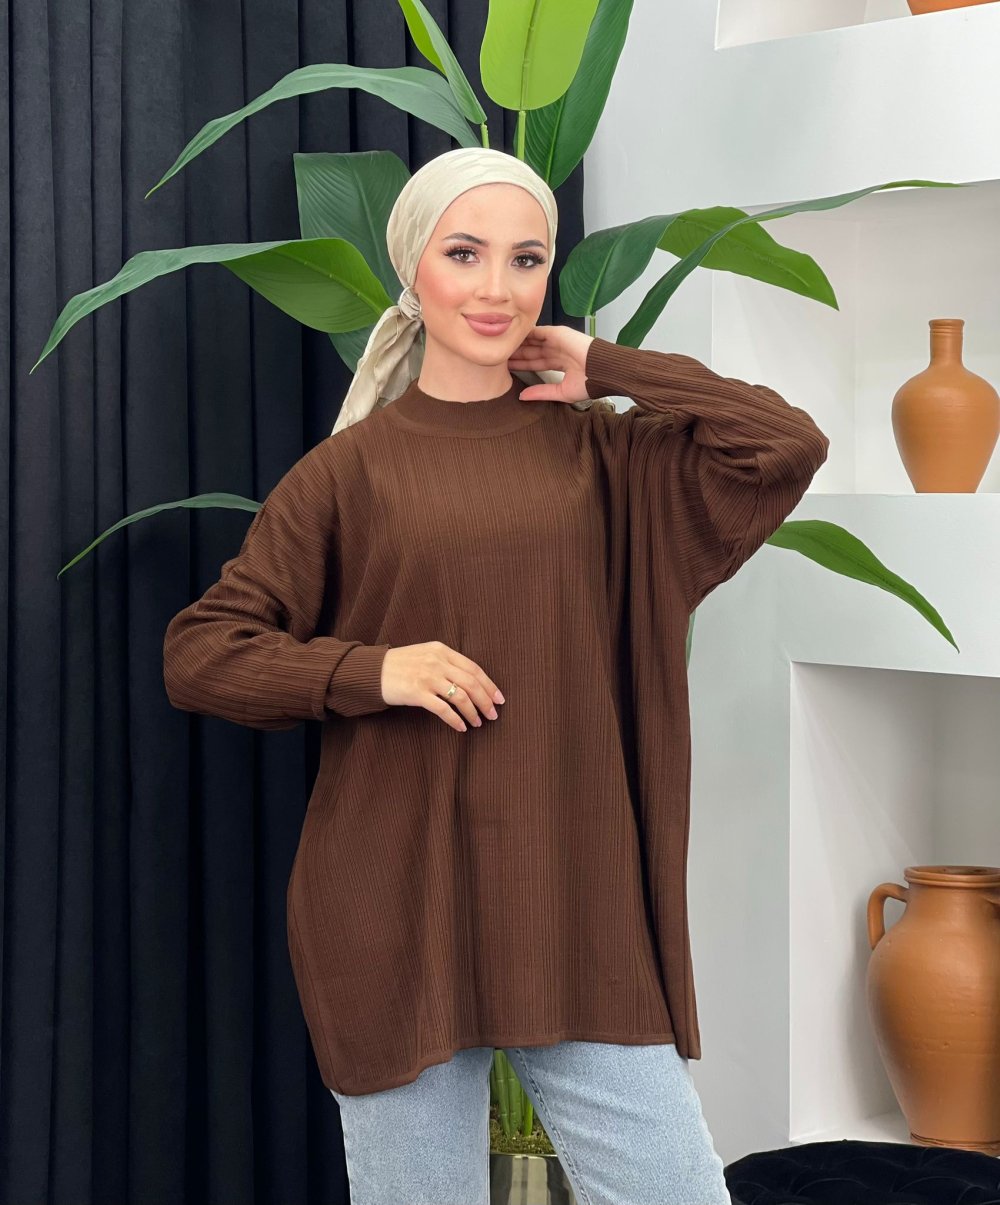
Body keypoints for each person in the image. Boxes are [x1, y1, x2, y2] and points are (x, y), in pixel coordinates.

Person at [163, 146, 829, 1205]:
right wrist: (375, 670)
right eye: (464, 253)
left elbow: (784, 443)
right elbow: (201, 653)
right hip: (395, 912)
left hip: (578, 909)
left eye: (526, 259)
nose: (497, 288)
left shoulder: (608, 458)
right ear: (413, 270)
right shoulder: (346, 473)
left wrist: (608, 365)